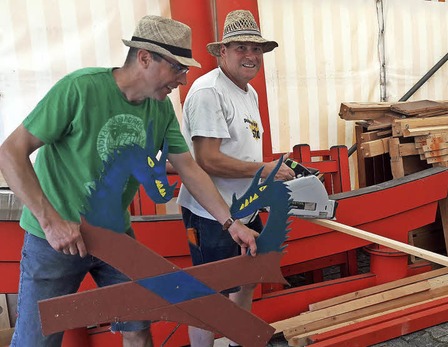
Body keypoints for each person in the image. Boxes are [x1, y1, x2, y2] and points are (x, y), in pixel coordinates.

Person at [0, 15, 259, 347]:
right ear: (145, 57)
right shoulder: (81, 89)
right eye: (178, 69)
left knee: (137, 327)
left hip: (114, 237)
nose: (182, 80)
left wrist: (229, 222)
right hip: (53, 240)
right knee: (37, 340)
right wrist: (50, 222)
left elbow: (190, 169)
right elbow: (10, 152)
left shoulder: (161, 109)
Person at [176, 9, 295, 347]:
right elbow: (207, 159)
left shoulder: (247, 91)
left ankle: (236, 341)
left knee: (246, 279)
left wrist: (264, 175)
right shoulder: (207, 92)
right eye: (241, 48)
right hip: (210, 214)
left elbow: (241, 153)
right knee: (209, 293)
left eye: (256, 49)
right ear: (222, 52)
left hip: (245, 206)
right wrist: (264, 170)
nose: (250, 56)